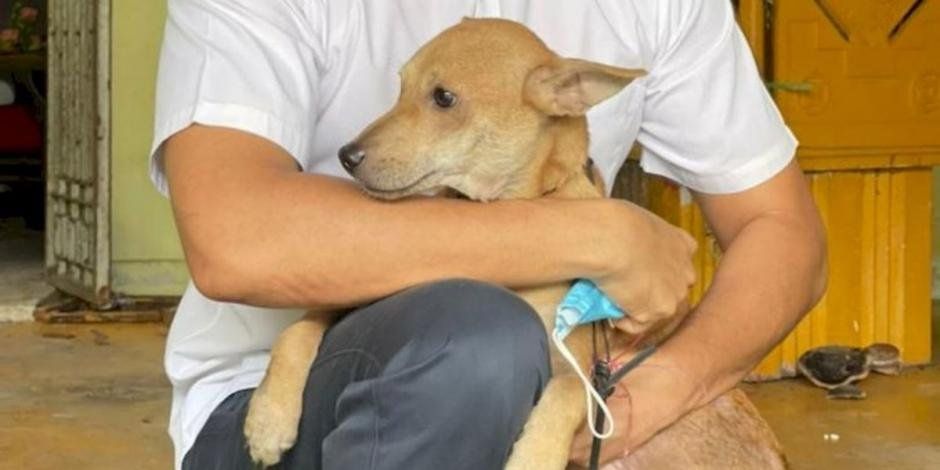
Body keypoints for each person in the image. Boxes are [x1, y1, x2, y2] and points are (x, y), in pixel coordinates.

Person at [151, 1, 827, 469]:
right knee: (478, 334)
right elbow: (235, 241)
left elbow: (784, 229)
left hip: (547, 407)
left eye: (441, 101)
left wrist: (654, 395)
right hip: (278, 413)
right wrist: (598, 239)